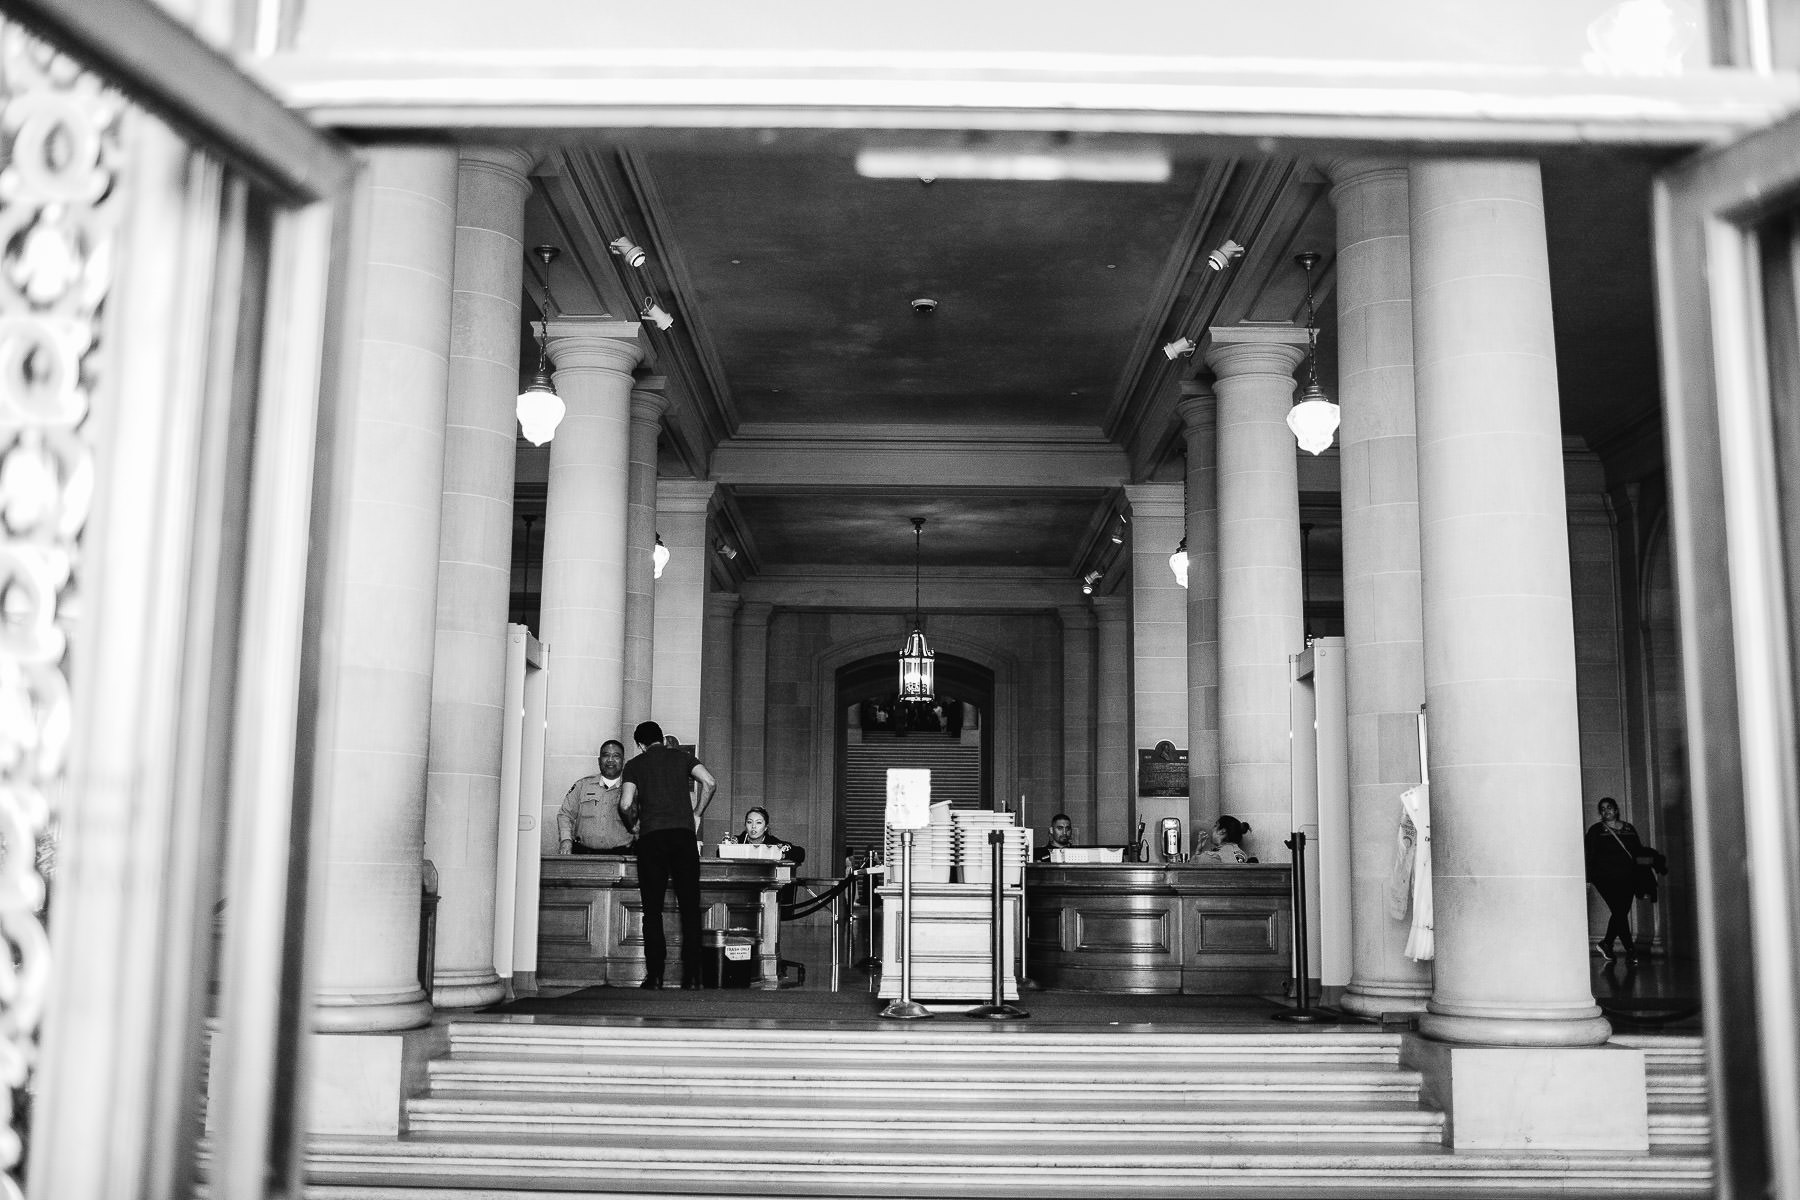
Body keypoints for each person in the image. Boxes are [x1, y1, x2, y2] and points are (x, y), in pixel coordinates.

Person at [620, 720, 717, 989]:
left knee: (652, 910)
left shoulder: (635, 765)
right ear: (662, 739)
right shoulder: (683, 757)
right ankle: (693, 976)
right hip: (683, 837)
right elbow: (709, 782)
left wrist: (634, 825)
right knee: (690, 907)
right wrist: (696, 814)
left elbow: (626, 803)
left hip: (652, 838)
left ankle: (656, 976)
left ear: (640, 744)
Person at [1585, 796, 1649, 962]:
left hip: (1628, 877)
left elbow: (1638, 853)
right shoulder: (1596, 830)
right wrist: (1587, 879)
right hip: (1604, 878)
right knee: (1619, 911)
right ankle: (1630, 949)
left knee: (1620, 912)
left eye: (1609, 807)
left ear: (1616, 809)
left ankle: (1607, 943)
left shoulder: (1629, 828)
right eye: (1603, 809)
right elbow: (1588, 856)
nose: (1606, 811)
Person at [556, 740, 636, 855]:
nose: (610, 760)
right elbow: (565, 814)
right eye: (606, 755)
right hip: (585, 855)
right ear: (599, 760)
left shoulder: (632, 788)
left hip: (622, 855)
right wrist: (566, 840)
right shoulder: (582, 785)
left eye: (616, 756)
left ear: (623, 761)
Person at [721, 806, 806, 865]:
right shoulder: (737, 841)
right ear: (745, 825)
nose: (753, 826)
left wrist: (778, 853)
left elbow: (800, 853)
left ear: (765, 827)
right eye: (749, 822)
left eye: (758, 822)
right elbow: (719, 853)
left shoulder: (772, 842)